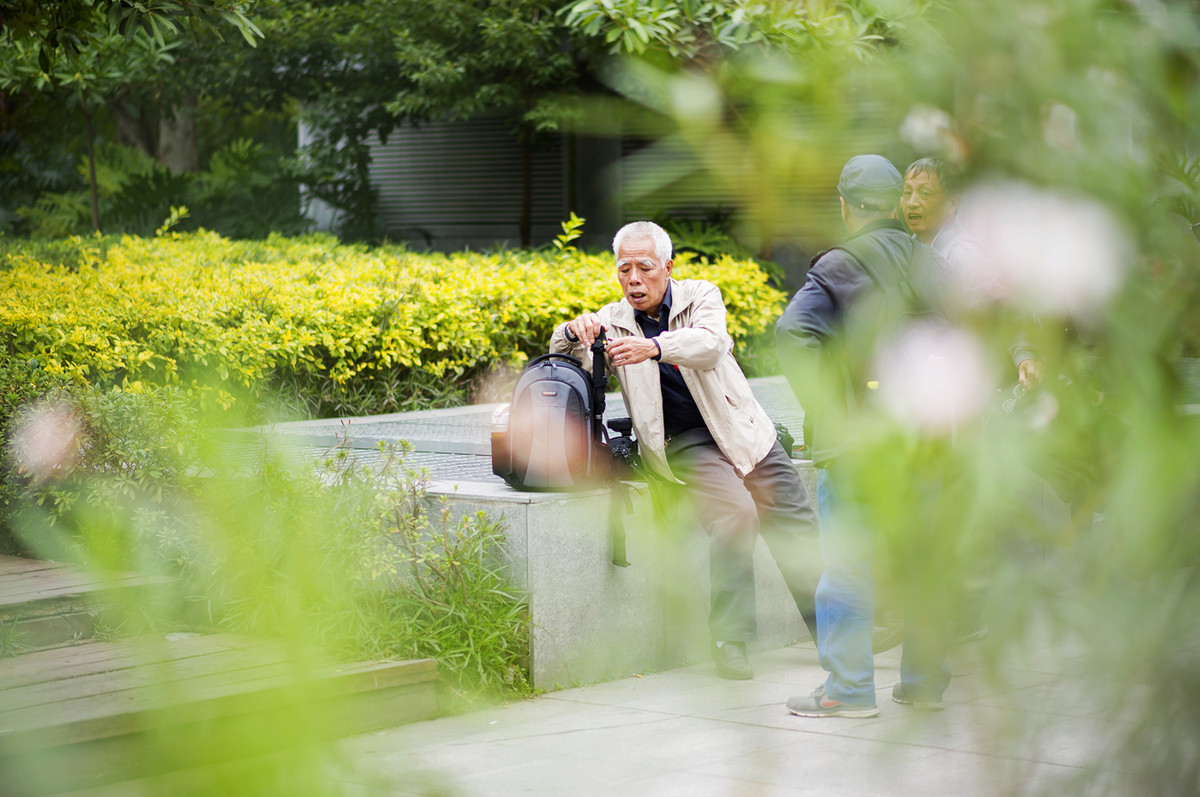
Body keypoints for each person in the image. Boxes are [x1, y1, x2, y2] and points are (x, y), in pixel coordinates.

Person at [551, 220, 821, 681]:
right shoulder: (612, 321)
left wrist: (654, 347)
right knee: (736, 515)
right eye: (624, 269)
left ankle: (836, 629)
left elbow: (711, 345)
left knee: (796, 523)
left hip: (745, 432)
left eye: (644, 268)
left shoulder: (700, 296)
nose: (634, 279)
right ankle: (731, 640)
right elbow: (566, 358)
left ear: (668, 267)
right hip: (687, 444)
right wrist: (572, 332)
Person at [776, 154, 951, 717]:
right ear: (897, 204)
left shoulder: (839, 265)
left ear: (845, 205)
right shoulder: (932, 262)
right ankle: (924, 685)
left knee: (848, 564)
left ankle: (849, 690)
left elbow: (792, 333)